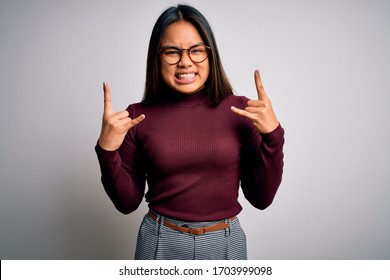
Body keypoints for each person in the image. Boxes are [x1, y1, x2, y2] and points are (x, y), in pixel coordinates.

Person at [95, 4, 284, 260]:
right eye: (172, 51)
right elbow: (126, 204)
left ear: (211, 54)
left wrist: (273, 136)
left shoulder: (242, 111)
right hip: (159, 241)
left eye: (196, 51)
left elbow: (261, 199)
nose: (185, 62)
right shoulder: (136, 117)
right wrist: (106, 151)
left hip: (225, 244)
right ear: (157, 56)